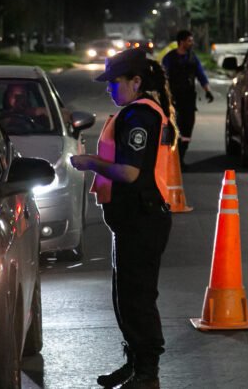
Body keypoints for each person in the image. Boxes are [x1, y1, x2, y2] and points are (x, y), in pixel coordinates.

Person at [70, 48, 178, 389]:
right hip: (131, 219)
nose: (109, 90)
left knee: (138, 298)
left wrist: (90, 162)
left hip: (142, 219)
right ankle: (134, 364)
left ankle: (147, 372)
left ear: (135, 81)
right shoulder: (133, 113)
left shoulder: (140, 117)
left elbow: (130, 172)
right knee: (125, 296)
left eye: (114, 83)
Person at [160, 30, 213, 168]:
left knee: (188, 127)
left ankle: (180, 157)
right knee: (172, 127)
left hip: (188, 99)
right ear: (182, 42)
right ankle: (170, 158)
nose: (192, 43)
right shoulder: (170, 58)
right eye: (189, 40)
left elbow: (201, 75)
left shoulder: (192, 58)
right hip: (173, 99)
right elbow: (162, 77)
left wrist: (208, 91)